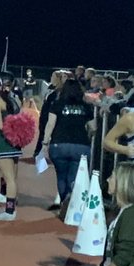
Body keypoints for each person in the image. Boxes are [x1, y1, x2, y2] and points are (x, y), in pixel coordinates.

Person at [40, 78, 92, 210]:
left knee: (61, 176)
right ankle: (72, 204)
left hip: (59, 144)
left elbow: (50, 124)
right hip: (81, 145)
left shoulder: (57, 104)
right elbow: (93, 127)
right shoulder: (86, 106)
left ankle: (64, 202)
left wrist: (45, 143)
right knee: (74, 177)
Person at [0, 74, 23, 221]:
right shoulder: (16, 99)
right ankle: (11, 207)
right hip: (16, 143)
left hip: (3, 143)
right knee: (12, 178)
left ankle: (9, 212)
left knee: (9, 179)